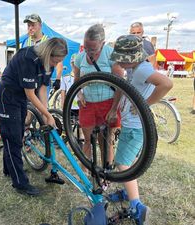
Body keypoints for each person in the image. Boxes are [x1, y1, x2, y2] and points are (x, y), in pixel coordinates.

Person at [109, 35, 173, 225]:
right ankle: (128, 191)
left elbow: (167, 84)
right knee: (130, 163)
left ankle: (137, 206)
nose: (117, 61)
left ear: (130, 57)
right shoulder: (136, 69)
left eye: (120, 57)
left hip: (134, 127)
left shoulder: (142, 69)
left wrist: (143, 105)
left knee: (122, 164)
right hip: (132, 125)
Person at [0, 38, 68, 196]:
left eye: (59, 61)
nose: (56, 64)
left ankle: (9, 169)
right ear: (48, 53)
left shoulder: (48, 62)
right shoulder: (28, 58)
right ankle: (20, 183)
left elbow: (42, 89)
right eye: (56, 60)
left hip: (20, 97)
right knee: (12, 137)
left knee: (17, 133)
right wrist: (48, 115)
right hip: (7, 95)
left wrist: (45, 113)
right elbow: (30, 93)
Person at [73, 24, 123, 168]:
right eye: (86, 47)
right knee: (87, 140)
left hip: (108, 103)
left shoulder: (111, 55)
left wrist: (114, 109)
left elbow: (121, 85)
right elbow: (76, 81)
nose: (89, 52)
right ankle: (86, 173)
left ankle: (106, 174)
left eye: (93, 49)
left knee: (106, 141)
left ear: (103, 43)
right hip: (87, 104)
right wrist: (79, 93)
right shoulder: (80, 58)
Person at [23, 13, 63, 91]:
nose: (30, 28)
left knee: (42, 103)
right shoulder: (25, 42)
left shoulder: (49, 42)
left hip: (43, 84)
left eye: (33, 25)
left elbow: (58, 62)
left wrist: (58, 79)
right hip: (28, 84)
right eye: (28, 25)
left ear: (40, 26)